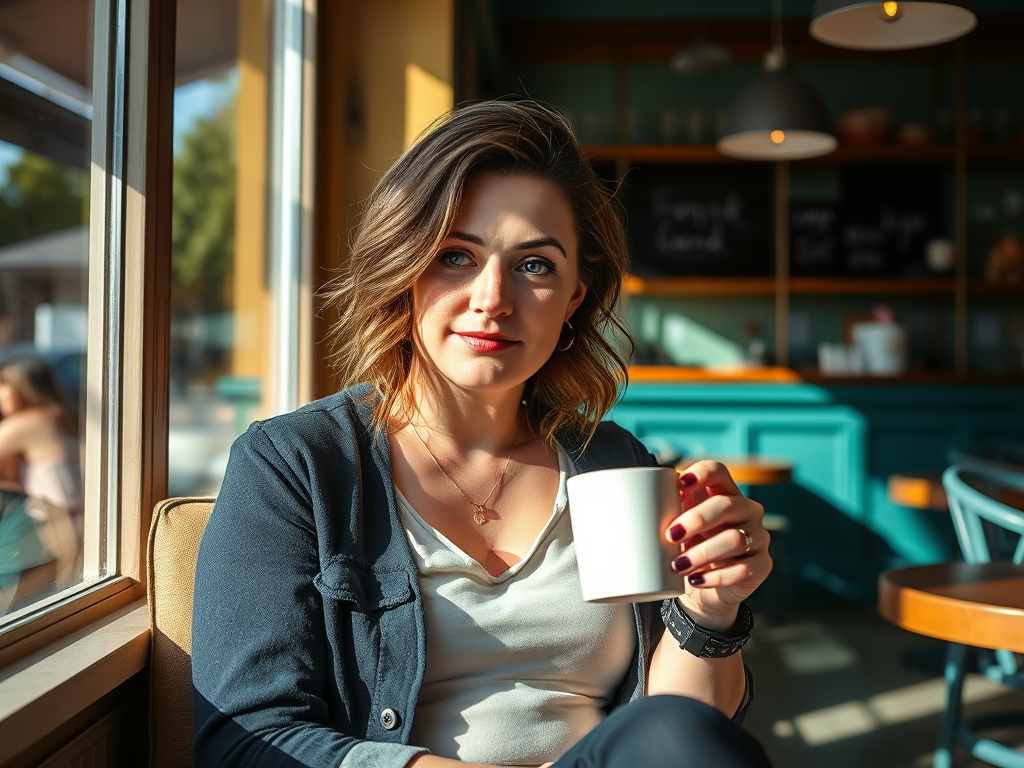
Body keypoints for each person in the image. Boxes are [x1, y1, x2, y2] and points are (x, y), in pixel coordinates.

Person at [192, 99, 774, 768]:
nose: (493, 298)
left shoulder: (614, 463)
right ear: (404, 271)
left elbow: (675, 724)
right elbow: (242, 741)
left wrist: (711, 609)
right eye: (456, 257)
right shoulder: (296, 465)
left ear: (573, 301)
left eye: (535, 266)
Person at [0, 355, 82, 598]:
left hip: (48, 525)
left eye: (4, 384)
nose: (0, 394)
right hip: (72, 523)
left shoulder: (28, 423)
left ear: (23, 387)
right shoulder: (61, 416)